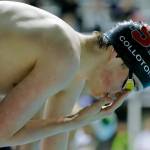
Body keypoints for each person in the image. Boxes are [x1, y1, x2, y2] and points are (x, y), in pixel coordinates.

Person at [0, 1, 149, 149]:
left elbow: (46, 145)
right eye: (129, 85)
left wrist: (70, 123)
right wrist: (75, 121)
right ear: (116, 55)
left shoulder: (74, 70)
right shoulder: (65, 55)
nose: (119, 94)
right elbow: (2, 134)